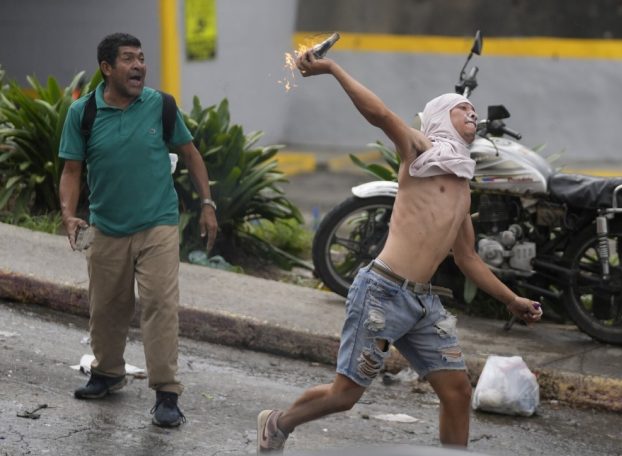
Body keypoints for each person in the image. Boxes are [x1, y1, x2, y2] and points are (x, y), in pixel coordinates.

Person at [256, 51, 543, 452]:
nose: (473, 113)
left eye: (474, 110)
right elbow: (380, 114)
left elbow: (468, 259)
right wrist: (333, 69)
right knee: (344, 396)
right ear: (442, 118)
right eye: (464, 109)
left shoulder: (461, 187)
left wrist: (512, 300)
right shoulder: (420, 151)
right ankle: (278, 422)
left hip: (422, 304)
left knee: (458, 392)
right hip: (382, 291)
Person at [58, 33, 218, 428]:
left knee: (160, 306)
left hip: (157, 224)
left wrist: (207, 204)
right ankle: (108, 373)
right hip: (107, 226)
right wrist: (68, 213)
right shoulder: (83, 112)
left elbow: (190, 154)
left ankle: (166, 393)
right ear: (107, 68)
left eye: (142, 59)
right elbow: (71, 171)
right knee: (107, 306)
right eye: (129, 59)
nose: (139, 66)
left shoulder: (161, 105)